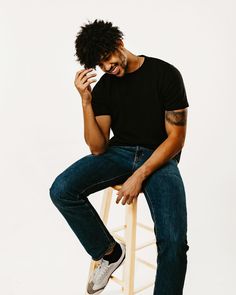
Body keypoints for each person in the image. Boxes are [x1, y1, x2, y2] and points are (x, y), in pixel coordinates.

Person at [49, 19, 190, 295]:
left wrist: (139, 175)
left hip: (161, 157)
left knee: (174, 241)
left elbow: (176, 139)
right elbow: (98, 147)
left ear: (120, 44)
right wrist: (86, 101)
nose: (108, 68)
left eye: (108, 60)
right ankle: (109, 252)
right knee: (62, 189)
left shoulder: (165, 74)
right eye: (100, 66)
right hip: (119, 153)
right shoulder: (105, 87)